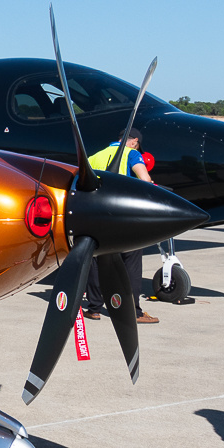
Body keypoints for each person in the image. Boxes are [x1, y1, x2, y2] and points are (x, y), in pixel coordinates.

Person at [83, 128, 159, 323]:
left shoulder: (95, 156)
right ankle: (133, 311)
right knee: (131, 261)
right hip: (123, 216)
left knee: (95, 259)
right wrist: (150, 183)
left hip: (97, 215)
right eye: (138, 145)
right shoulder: (131, 154)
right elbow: (145, 180)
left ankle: (94, 308)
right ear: (133, 141)